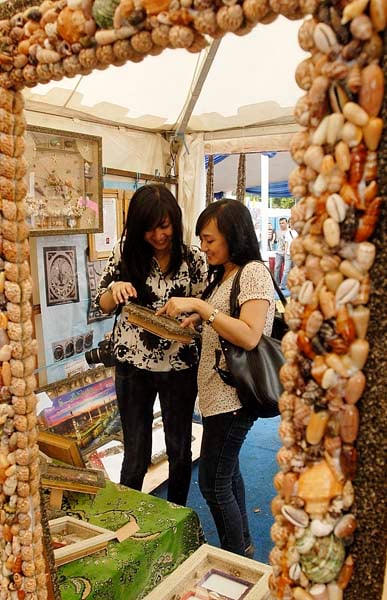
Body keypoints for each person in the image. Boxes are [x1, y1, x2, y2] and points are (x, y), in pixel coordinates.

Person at [157, 199, 275, 556]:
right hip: (216, 395)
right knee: (228, 474)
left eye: (210, 240)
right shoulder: (227, 273)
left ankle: (234, 557)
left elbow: (251, 334)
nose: (204, 247)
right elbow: (226, 324)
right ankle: (245, 549)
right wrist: (199, 320)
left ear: (233, 235)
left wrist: (203, 309)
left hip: (234, 397)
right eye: (202, 240)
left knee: (213, 482)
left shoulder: (252, 272)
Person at [95, 184, 207, 506]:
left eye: (164, 226)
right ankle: (129, 517)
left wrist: (193, 316)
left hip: (180, 366)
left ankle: (175, 516)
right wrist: (114, 289)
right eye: (148, 229)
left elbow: (206, 308)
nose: (158, 236)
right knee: (136, 453)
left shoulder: (193, 259)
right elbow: (101, 304)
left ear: (175, 219)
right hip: (133, 366)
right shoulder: (124, 252)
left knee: (179, 449)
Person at [281, 217, 298, 290]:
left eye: (292, 222)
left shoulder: (298, 231)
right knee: (286, 271)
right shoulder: (287, 232)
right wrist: (285, 252)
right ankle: (283, 285)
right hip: (288, 254)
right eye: (290, 222)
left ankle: (295, 285)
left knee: (295, 270)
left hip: (296, 254)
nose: (291, 223)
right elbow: (286, 243)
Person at [274, 217, 288, 286]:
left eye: (283, 223)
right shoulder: (277, 232)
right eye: (280, 223)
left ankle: (285, 284)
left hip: (287, 253)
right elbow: (276, 241)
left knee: (287, 269)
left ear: (286, 223)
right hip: (279, 253)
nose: (281, 224)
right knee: (277, 268)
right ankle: (276, 283)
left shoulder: (289, 232)